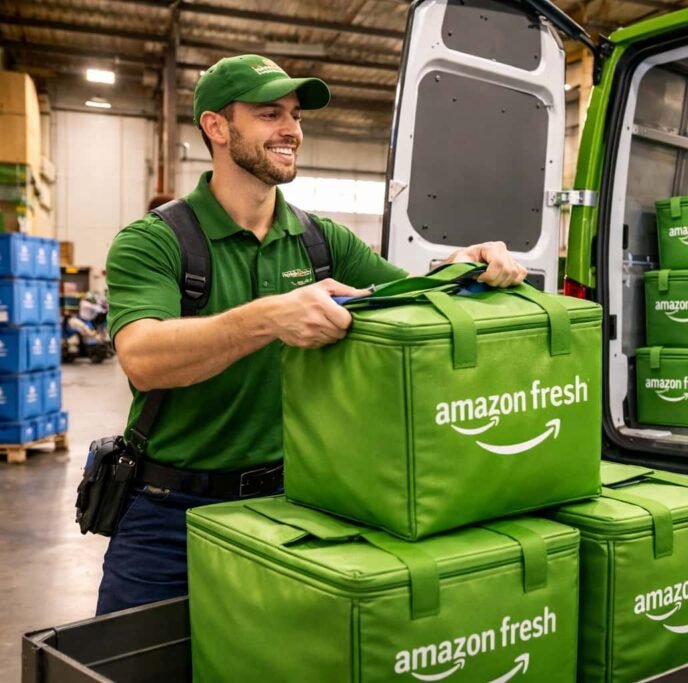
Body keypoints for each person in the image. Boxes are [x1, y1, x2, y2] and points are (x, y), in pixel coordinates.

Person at [97, 54, 527, 615]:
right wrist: (270, 317)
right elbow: (143, 358)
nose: (292, 131)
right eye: (269, 114)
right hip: (168, 516)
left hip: (292, 504)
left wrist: (465, 265)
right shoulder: (153, 242)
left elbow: (414, 302)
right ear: (217, 127)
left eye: (296, 116)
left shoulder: (320, 241)